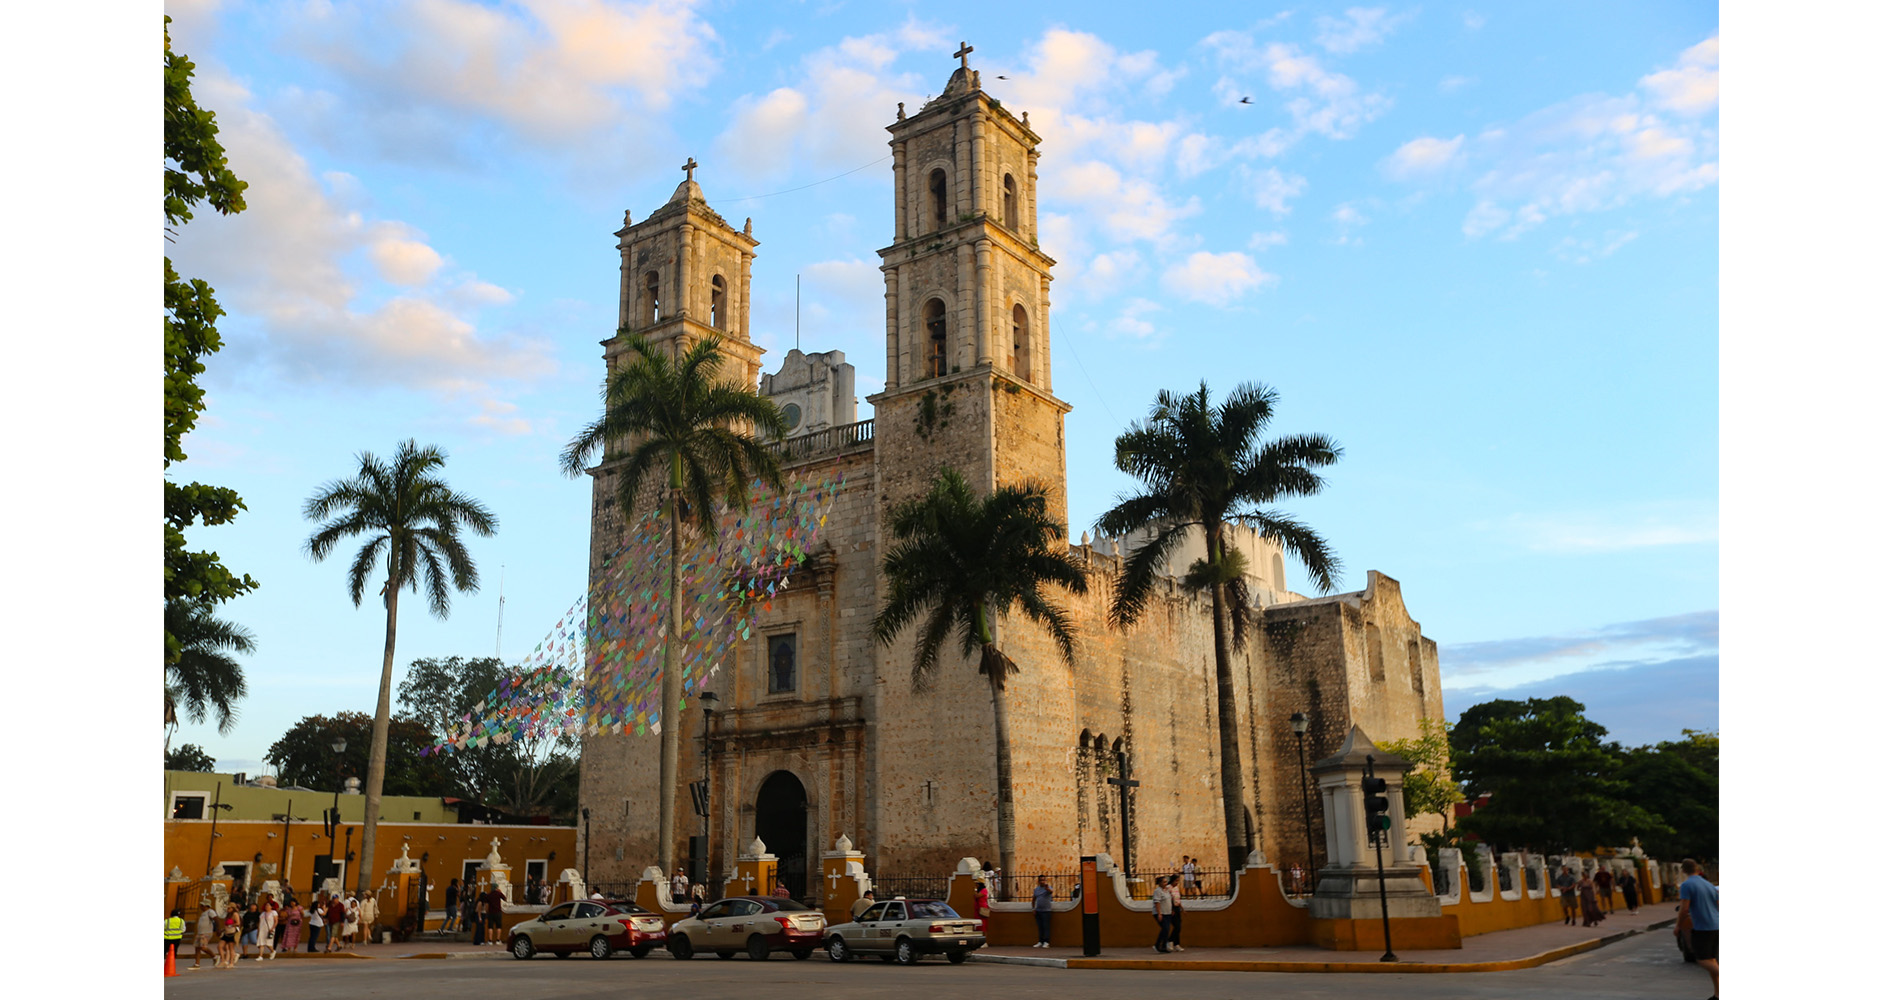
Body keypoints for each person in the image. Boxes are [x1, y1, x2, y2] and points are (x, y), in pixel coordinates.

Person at [1676, 858, 1718, 999]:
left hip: (1703, 927)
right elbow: (1718, 904)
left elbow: (1684, 908)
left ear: (1683, 870)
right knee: (1711, 959)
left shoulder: (1687, 885)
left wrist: (1678, 925)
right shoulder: (1709, 885)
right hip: (1716, 925)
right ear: (1698, 869)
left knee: (1701, 959)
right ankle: (1718, 994)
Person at [1150, 874, 1174, 954]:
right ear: (1159, 883)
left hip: (1167, 913)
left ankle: (1163, 946)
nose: (1165, 883)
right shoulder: (1158, 891)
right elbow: (1157, 902)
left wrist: (1171, 910)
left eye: (1166, 882)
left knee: (1166, 930)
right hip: (1161, 913)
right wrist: (1159, 913)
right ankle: (1158, 945)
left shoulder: (1166, 890)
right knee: (1165, 929)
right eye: (1164, 882)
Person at [1032, 875, 1054, 948]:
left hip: (1046, 911)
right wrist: (1033, 909)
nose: (1042, 881)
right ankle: (1040, 941)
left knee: (1046, 926)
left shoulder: (1048, 888)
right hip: (1038, 911)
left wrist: (1047, 888)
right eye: (1041, 880)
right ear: (1038, 881)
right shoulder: (1036, 889)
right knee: (1040, 927)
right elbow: (1033, 899)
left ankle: (1046, 941)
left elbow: (1051, 892)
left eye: (1043, 880)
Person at [1167, 874, 1187, 952]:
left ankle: (1176, 944)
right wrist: (1171, 909)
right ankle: (1170, 940)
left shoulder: (1176, 888)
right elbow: (1168, 899)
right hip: (1172, 908)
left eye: (1178, 881)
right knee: (1177, 926)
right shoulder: (1168, 888)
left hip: (1177, 908)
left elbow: (1178, 900)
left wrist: (1182, 909)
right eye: (1176, 881)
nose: (1177, 882)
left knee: (1179, 927)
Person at [256, 897, 278, 961]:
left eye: (268, 905)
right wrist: (258, 930)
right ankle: (260, 956)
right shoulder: (262, 913)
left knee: (268, 943)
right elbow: (260, 922)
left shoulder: (273, 913)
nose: (267, 906)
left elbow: (276, 921)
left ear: (271, 907)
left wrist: (273, 928)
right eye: (266, 905)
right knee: (261, 943)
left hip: (269, 929)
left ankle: (273, 951)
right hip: (262, 930)